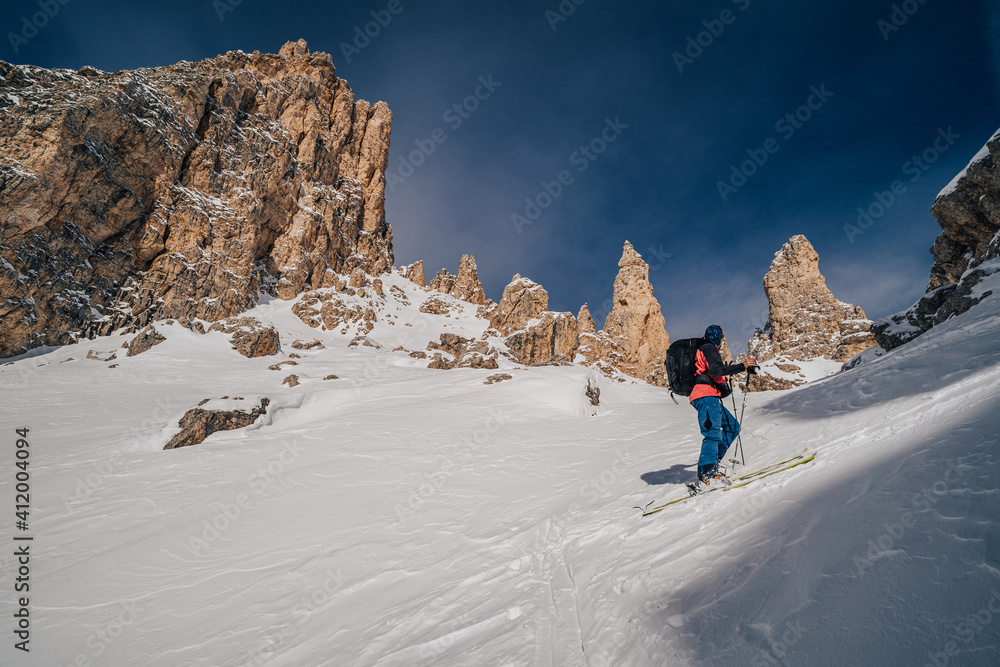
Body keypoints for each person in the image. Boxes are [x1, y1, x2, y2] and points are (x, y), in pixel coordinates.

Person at [690, 325, 756, 483]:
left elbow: (716, 374)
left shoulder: (706, 350)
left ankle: (713, 463)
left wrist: (724, 382)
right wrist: (742, 366)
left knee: (732, 427)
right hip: (705, 396)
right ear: (717, 336)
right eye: (722, 335)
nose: (722, 338)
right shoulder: (708, 347)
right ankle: (708, 474)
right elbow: (717, 370)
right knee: (712, 433)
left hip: (710, 396)